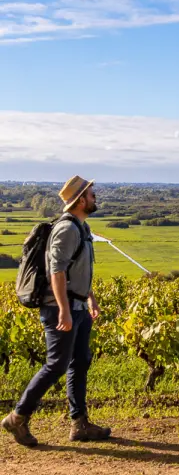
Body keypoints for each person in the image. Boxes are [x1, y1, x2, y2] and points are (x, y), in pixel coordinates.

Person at [1, 176, 111, 448]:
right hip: (59, 308)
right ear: (81, 199)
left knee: (80, 361)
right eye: (91, 194)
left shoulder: (81, 227)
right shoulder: (67, 229)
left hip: (77, 306)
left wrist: (89, 299)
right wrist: (63, 310)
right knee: (57, 365)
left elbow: (79, 270)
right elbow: (57, 271)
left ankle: (79, 424)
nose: (95, 197)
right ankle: (17, 417)